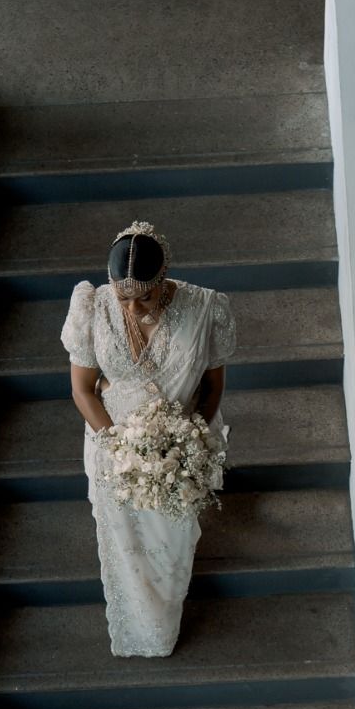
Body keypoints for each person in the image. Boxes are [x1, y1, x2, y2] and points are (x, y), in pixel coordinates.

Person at [61, 220, 237, 657]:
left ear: (163, 279)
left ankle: (162, 624)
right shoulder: (93, 307)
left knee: (171, 547)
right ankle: (137, 626)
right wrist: (117, 446)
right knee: (124, 545)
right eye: (123, 296)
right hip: (113, 444)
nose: (133, 307)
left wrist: (191, 443)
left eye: (145, 296)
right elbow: (82, 389)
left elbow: (213, 387)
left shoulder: (205, 309)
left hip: (180, 448)